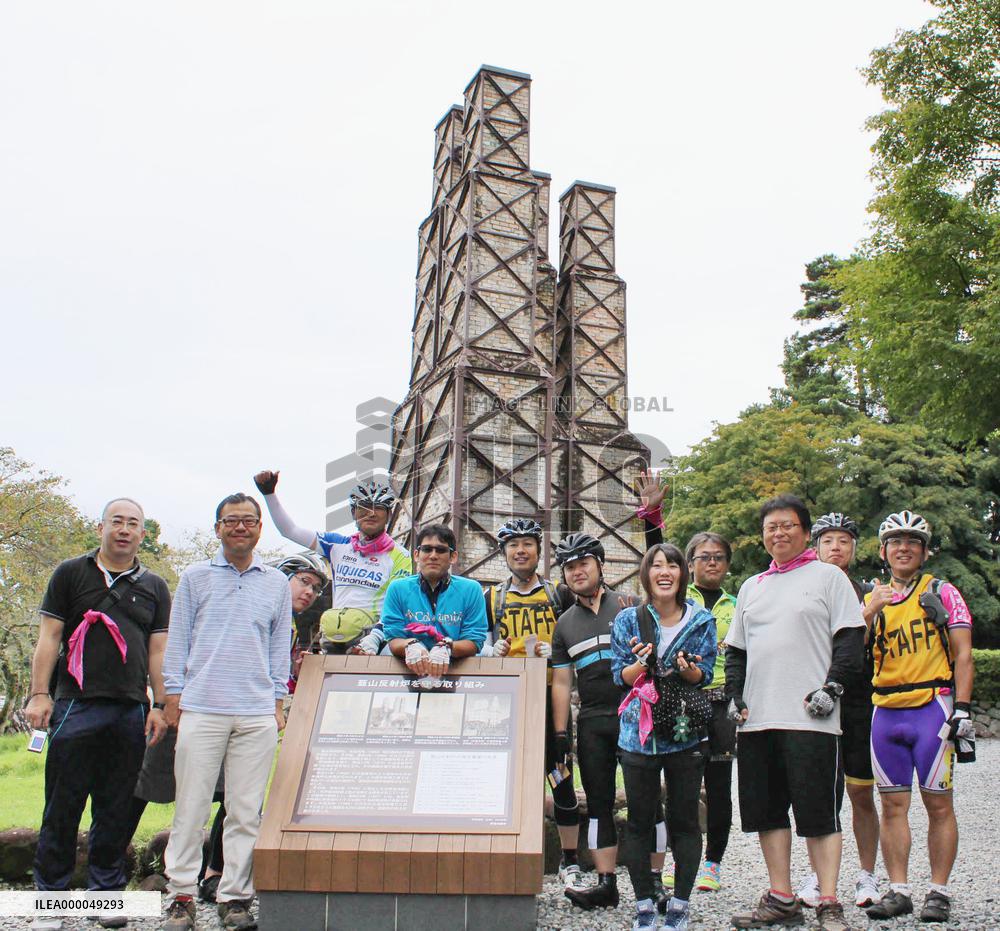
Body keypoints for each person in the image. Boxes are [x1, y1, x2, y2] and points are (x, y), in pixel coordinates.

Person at [25, 498, 171, 931]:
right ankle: (50, 899)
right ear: (102, 527)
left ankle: (105, 896)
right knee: (62, 805)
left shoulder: (155, 586)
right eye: (117, 522)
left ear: (142, 534)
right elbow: (49, 638)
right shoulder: (71, 573)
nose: (124, 530)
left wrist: (160, 705)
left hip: (130, 708)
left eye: (133, 524)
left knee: (117, 808)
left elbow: (158, 651)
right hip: (74, 703)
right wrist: (38, 694)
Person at [726, 494, 865, 931]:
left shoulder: (829, 578)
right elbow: (736, 652)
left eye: (788, 525)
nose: (779, 533)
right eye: (771, 527)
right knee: (768, 812)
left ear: (806, 532)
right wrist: (734, 695)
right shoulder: (753, 586)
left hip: (812, 718)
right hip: (758, 721)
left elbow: (849, 640)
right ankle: (782, 897)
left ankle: (828, 902)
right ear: (763, 535)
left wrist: (833, 687)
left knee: (819, 813)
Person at [161, 493, 292, 931]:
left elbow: (278, 647)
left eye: (249, 520)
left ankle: (235, 896)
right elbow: (177, 639)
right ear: (217, 528)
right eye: (231, 520)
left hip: (255, 712)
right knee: (192, 806)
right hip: (203, 707)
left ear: (260, 528)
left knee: (244, 810)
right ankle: (180, 895)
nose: (240, 527)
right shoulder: (195, 577)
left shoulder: (275, 582)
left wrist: (276, 701)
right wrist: (173, 697)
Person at [194, 552, 329, 905]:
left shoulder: (292, 625)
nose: (309, 593)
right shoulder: (253, 603)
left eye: (315, 588)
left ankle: (222, 876)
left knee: (241, 799)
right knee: (212, 797)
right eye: (304, 581)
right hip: (217, 706)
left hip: (255, 716)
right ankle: (207, 875)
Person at [863, 511, 975, 924]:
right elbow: (846, 651)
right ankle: (899, 889)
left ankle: (939, 891)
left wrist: (961, 708)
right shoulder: (871, 596)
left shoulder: (943, 592)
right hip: (886, 711)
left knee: (939, 805)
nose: (903, 548)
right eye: (895, 541)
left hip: (932, 706)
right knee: (892, 805)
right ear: (883, 551)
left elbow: (963, 653)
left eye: (912, 541)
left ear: (925, 551)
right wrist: (868, 612)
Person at [550, 532, 668, 913]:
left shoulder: (631, 605)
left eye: (584, 562)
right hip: (594, 720)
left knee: (648, 803)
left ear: (601, 565)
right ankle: (606, 883)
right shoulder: (564, 623)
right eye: (569, 566)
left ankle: (654, 882)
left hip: (637, 715)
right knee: (600, 803)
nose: (577, 571)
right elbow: (563, 682)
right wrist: (560, 733)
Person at [634, 473, 737, 894]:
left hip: (722, 704)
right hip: (682, 700)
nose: (711, 562)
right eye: (703, 557)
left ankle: (713, 862)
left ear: (726, 564)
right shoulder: (681, 598)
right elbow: (656, 556)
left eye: (718, 557)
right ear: (690, 564)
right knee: (683, 787)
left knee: (719, 785)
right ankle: (681, 858)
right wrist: (652, 515)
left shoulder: (740, 601)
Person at [612, 543, 717, 931]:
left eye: (672, 565)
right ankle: (642, 903)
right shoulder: (628, 619)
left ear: (682, 574)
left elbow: (703, 676)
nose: (664, 571)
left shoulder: (701, 620)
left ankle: (680, 904)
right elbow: (619, 677)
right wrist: (640, 664)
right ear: (646, 574)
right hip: (637, 736)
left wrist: (686, 669)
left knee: (685, 821)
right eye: (656, 565)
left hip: (683, 732)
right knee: (639, 821)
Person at [484, 519, 583, 893]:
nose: (520, 550)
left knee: (561, 778)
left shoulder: (559, 594)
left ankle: (570, 861)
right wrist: (489, 653)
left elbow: (578, 636)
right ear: (503, 553)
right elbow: (479, 642)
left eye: (527, 544)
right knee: (504, 781)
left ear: (539, 552)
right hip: (507, 701)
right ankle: (505, 851)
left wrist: (557, 651)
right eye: (513, 545)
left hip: (549, 698)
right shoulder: (492, 598)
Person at [797, 513, 881, 910]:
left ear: (854, 547)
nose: (836, 547)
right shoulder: (805, 589)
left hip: (860, 701)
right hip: (818, 702)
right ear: (814, 547)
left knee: (861, 794)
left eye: (844, 540)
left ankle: (867, 875)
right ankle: (818, 874)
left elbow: (866, 648)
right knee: (823, 795)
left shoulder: (869, 590)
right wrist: (868, 613)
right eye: (828, 540)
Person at [253, 470, 411, 652]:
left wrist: (375, 637)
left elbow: (397, 604)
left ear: (389, 515)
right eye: (364, 507)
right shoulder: (337, 545)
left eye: (379, 508)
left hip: (375, 639)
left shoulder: (400, 555)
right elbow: (290, 531)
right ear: (353, 513)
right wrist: (269, 494)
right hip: (335, 637)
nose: (371, 514)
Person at [381, 524, 487, 679]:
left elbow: (475, 641)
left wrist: (448, 646)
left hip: (457, 676)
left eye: (441, 550)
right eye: (427, 549)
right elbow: (392, 638)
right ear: (416, 554)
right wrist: (409, 644)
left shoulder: (471, 589)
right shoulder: (397, 589)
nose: (433, 555)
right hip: (408, 675)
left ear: (453, 557)